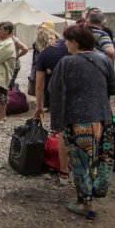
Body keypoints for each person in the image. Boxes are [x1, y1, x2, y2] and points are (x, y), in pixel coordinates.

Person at [48, 25, 115, 220]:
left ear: (76, 42)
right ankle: (98, 188)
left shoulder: (66, 62)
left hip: (76, 118)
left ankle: (86, 203)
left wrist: (56, 122)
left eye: (68, 41)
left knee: (80, 161)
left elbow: (54, 91)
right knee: (101, 157)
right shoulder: (104, 60)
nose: (66, 45)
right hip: (102, 117)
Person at [33, 26, 71, 184]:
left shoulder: (44, 54)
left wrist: (39, 106)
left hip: (58, 95)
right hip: (81, 91)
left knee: (62, 132)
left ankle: (64, 171)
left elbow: (39, 85)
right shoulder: (69, 45)